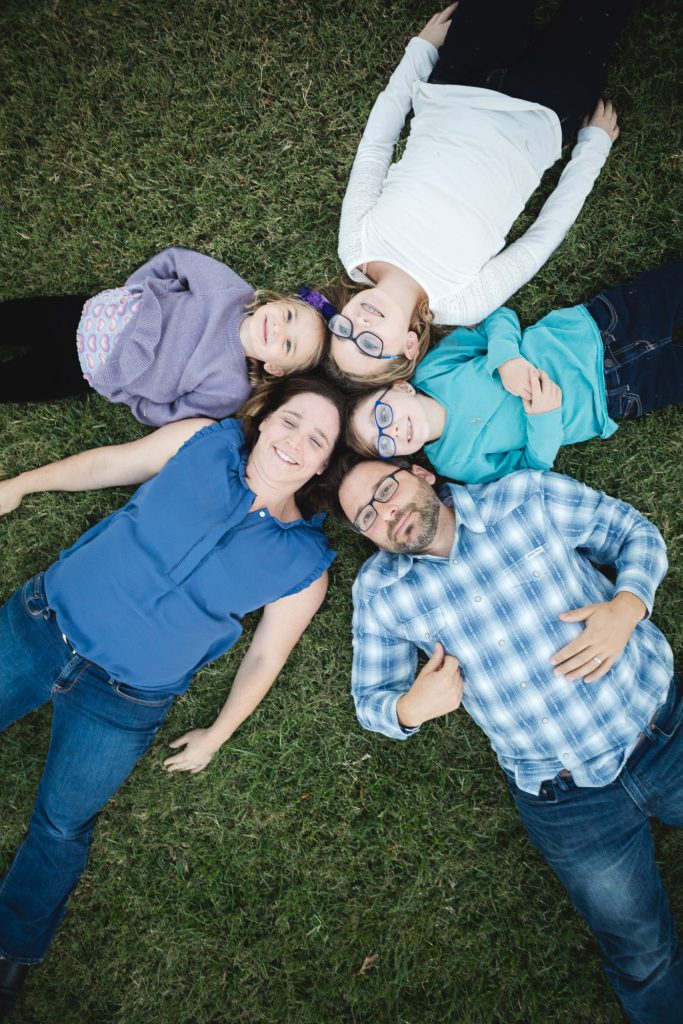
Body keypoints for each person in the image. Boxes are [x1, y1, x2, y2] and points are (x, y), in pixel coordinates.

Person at [0, 373, 345, 1017]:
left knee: (61, 824)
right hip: (44, 623)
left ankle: (9, 953)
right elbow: (110, 465)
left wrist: (217, 734)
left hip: (123, 701)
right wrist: (21, 483)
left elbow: (266, 656)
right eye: (291, 421)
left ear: (324, 464)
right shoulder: (203, 443)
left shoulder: (304, 564)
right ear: (265, 419)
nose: (296, 443)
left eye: (317, 440)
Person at [338, 457, 682, 1023]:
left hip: (662, 729)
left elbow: (632, 533)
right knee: (646, 958)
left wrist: (626, 609)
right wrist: (411, 708)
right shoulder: (380, 592)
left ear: (421, 474)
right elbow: (371, 698)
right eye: (366, 517)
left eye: (386, 489)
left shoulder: (524, 496)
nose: (387, 513)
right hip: (567, 800)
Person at [330, 0, 633, 387]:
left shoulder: (355, 248)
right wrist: (592, 151)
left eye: (343, 330)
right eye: (370, 345)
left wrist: (419, 54)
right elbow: (542, 237)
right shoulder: (462, 303)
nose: (361, 324)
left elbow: (375, 147)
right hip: (543, 111)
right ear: (409, 345)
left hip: (458, 81)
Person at [346, 261, 683, 482]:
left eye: (383, 415)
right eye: (383, 444)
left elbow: (496, 319)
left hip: (592, 331)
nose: (392, 432)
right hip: (614, 398)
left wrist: (506, 360)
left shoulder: (433, 371)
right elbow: (531, 468)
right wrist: (544, 419)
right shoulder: (454, 463)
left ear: (401, 387)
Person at [0, 248, 334, 423]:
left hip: (97, 367)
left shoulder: (230, 388)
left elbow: (175, 413)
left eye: (287, 344)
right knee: (16, 320)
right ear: (277, 301)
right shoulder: (232, 293)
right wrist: (137, 289)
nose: (277, 329)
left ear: (275, 368)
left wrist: (131, 397)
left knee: (15, 382)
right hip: (93, 313)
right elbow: (177, 261)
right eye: (288, 316)